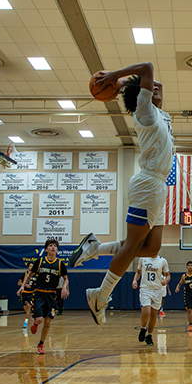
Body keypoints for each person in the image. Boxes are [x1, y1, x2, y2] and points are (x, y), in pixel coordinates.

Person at [70, 62, 174, 326]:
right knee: (132, 246)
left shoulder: (161, 115)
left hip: (158, 185)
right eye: (153, 87)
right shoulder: (144, 112)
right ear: (144, 94)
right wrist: (116, 77)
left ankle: (96, 248)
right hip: (148, 183)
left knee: (153, 247)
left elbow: (154, 82)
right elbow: (150, 67)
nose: (158, 87)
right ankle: (100, 295)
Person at [17, 239, 69, 354]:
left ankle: (41, 344)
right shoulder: (39, 262)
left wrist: (65, 287)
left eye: (55, 246)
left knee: (48, 322)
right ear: (46, 249)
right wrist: (22, 287)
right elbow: (29, 275)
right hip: (39, 294)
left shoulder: (60, 264)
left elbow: (66, 278)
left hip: (52, 295)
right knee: (39, 320)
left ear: (57, 249)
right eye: (50, 246)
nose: (53, 247)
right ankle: (34, 323)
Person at [132, 253, 170, 346]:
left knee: (153, 315)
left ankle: (149, 335)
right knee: (146, 312)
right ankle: (143, 328)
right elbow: (138, 272)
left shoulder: (162, 261)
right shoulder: (143, 258)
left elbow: (168, 275)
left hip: (157, 290)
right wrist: (134, 280)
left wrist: (165, 280)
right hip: (145, 289)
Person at [176, 261, 192, 332]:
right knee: (189, 310)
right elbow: (180, 283)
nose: (190, 267)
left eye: (191, 265)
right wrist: (177, 288)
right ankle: (190, 325)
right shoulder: (184, 276)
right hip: (187, 294)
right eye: (188, 265)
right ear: (187, 267)